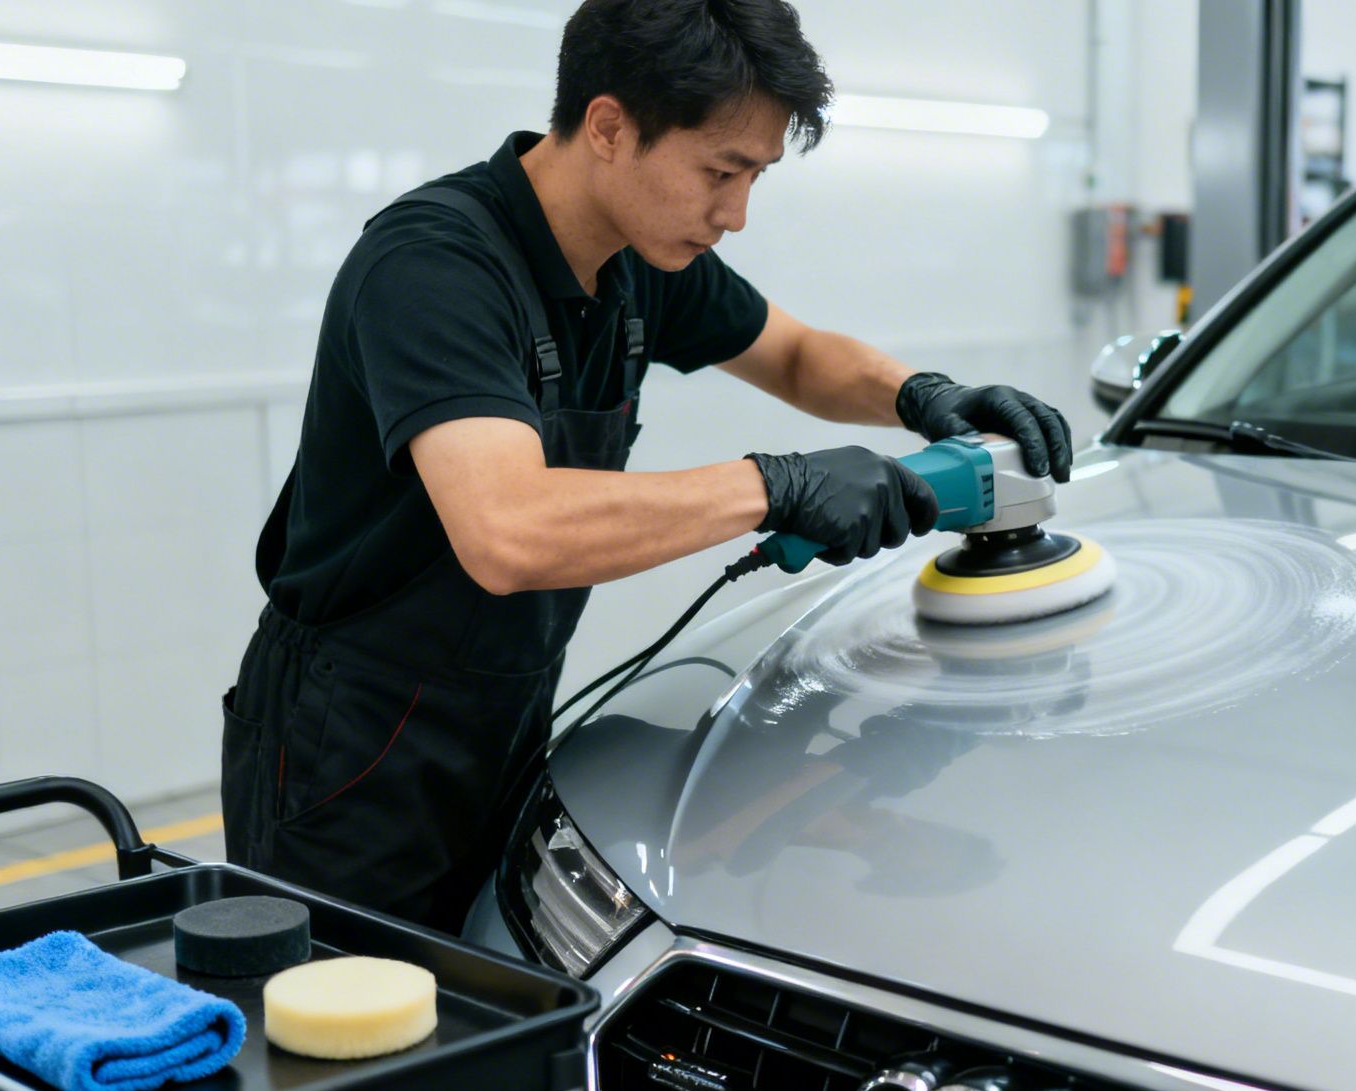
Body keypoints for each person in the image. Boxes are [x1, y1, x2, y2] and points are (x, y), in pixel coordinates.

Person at [218, 0, 1074, 959]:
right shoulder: (434, 266)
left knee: (486, 1027)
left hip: (500, 717)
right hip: (350, 749)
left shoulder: (636, 262)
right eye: (721, 171)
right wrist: (777, 483)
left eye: (755, 176)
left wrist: (922, 395)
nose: (737, 213)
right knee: (351, 1068)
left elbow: (793, 355)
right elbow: (509, 532)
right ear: (611, 126)